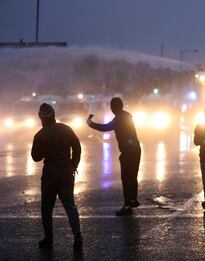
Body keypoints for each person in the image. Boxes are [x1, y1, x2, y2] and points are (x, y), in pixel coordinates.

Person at [31, 103, 83, 250]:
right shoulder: (66, 129)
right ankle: (78, 236)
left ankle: (49, 238)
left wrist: (44, 148)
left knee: (47, 207)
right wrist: (74, 164)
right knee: (69, 205)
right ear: (54, 115)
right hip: (66, 173)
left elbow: (35, 157)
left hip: (49, 176)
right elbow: (77, 147)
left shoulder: (40, 135)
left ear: (41, 118)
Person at [87, 97, 141, 216]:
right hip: (136, 149)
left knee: (126, 178)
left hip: (128, 151)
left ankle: (127, 206)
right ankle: (133, 199)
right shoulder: (127, 116)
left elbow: (105, 128)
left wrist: (90, 123)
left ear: (113, 108)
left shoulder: (119, 119)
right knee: (132, 175)